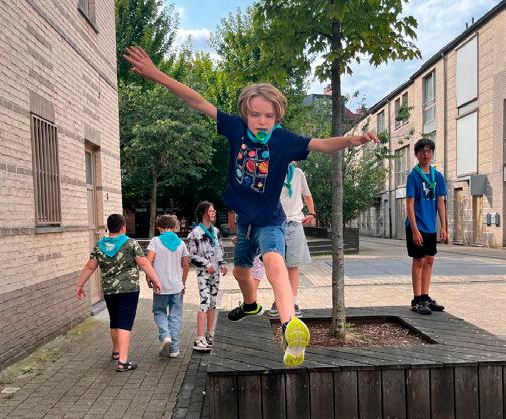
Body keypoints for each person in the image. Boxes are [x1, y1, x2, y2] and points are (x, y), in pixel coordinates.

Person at [123, 46, 378, 366]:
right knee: (242, 273)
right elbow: (197, 101)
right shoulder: (236, 128)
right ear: (246, 114)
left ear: (277, 117)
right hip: (245, 220)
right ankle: (249, 304)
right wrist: (157, 75)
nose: (261, 121)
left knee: (275, 263)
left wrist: (352, 140)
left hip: (271, 218)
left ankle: (289, 327)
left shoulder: (284, 140)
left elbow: (323, 145)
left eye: (268, 116)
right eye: (255, 115)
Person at [75, 214, 162, 372]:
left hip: (109, 290)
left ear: (108, 228)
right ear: (123, 227)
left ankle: (116, 351)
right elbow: (143, 262)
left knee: (115, 320)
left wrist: (79, 285)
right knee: (124, 323)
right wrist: (156, 280)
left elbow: (90, 266)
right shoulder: (130, 243)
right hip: (128, 290)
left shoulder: (99, 245)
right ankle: (123, 361)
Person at [405, 138, 447, 315]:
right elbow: (409, 205)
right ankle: (416, 301)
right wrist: (415, 230)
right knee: (419, 261)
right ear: (416, 154)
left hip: (430, 227)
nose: (426, 154)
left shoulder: (438, 176)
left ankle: (425, 297)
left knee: (429, 260)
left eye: (429, 151)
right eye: (422, 151)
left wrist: (443, 226)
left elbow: (440, 202)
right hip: (416, 226)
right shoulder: (413, 176)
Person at [268, 162, 315, 318]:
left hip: (295, 223)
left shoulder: (298, 173)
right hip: (275, 224)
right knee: (277, 267)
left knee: (293, 267)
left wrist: (312, 213)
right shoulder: (270, 171)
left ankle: (293, 302)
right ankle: (279, 300)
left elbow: (307, 194)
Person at [146, 214, 190, 358]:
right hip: (176, 286)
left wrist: (148, 277)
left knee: (159, 311)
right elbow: (186, 265)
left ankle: (165, 335)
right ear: (173, 227)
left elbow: (148, 261)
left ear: (159, 227)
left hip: (160, 285)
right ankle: (174, 349)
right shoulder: (181, 243)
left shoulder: (155, 241)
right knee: (175, 316)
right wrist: (183, 283)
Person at [188, 201, 228, 351]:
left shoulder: (216, 231)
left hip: (215, 272)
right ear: (202, 213)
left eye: (214, 211)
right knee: (204, 301)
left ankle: (209, 333)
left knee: (213, 302)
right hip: (203, 272)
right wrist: (206, 263)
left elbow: (220, 249)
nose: (213, 213)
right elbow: (191, 255)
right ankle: (199, 338)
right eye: (211, 211)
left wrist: (222, 263)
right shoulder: (196, 233)